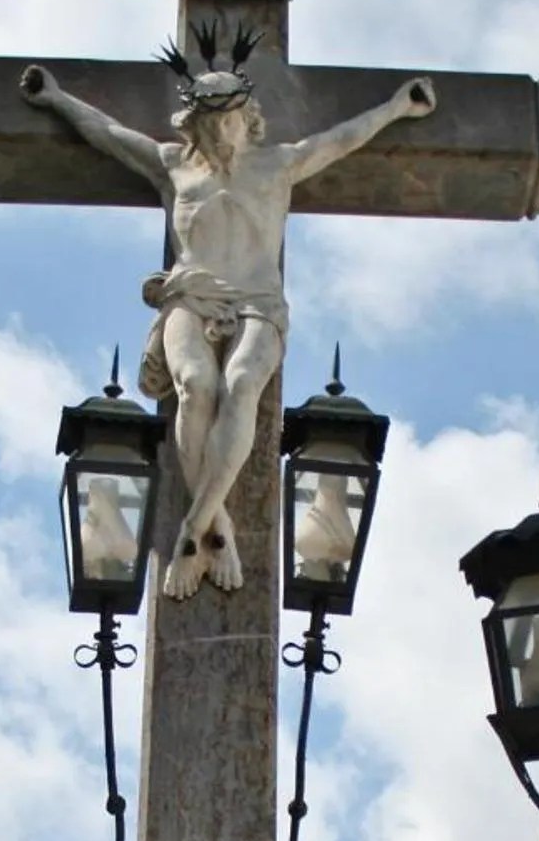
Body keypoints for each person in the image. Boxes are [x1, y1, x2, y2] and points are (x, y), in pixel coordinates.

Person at [21, 47, 434, 600]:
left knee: (240, 386)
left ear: (247, 115)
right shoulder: (173, 164)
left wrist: (394, 109)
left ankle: (194, 530)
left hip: (259, 301)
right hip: (192, 297)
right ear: (195, 120)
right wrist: (55, 98)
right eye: (210, 118)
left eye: (230, 116)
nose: (221, 127)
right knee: (196, 387)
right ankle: (221, 532)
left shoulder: (278, 164)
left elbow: (340, 140)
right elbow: (109, 133)